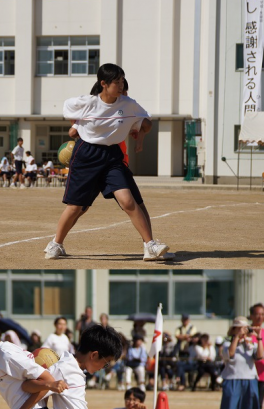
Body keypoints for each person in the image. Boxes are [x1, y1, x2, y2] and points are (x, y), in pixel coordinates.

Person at [44, 63, 170, 262]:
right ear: (103, 83)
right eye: (117, 82)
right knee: (76, 207)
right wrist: (78, 125)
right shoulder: (88, 102)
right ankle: (56, 244)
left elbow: (146, 121)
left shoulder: (128, 104)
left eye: (122, 81)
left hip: (112, 156)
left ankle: (150, 246)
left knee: (128, 201)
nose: (121, 85)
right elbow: (68, 110)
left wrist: (139, 135)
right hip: (87, 155)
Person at [215, 316, 263, 409]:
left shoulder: (250, 344)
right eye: (240, 328)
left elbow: (260, 356)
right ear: (234, 329)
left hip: (250, 379)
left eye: (245, 328)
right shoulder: (227, 343)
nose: (243, 331)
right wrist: (236, 337)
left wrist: (258, 337)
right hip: (232, 378)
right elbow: (230, 354)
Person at [175, 314, 198, 390]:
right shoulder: (179, 328)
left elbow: (193, 336)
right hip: (181, 352)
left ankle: (188, 383)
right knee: (180, 365)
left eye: (186, 319)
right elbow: (177, 336)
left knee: (187, 367)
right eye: (183, 319)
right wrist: (187, 336)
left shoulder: (192, 327)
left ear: (189, 320)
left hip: (190, 352)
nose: (185, 321)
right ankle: (183, 383)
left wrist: (182, 337)